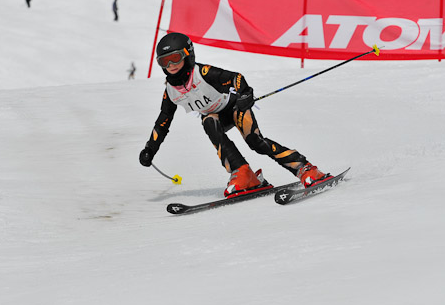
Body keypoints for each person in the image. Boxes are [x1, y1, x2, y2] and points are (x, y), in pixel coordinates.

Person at [139, 32, 332, 197]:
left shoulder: (203, 72)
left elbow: (235, 78)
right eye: (164, 61)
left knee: (256, 142)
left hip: (235, 109)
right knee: (208, 122)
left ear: (187, 54)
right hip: (216, 118)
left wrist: (245, 94)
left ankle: (305, 169)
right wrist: (150, 149)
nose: (171, 64)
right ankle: (243, 174)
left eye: (176, 58)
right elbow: (162, 122)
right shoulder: (171, 91)